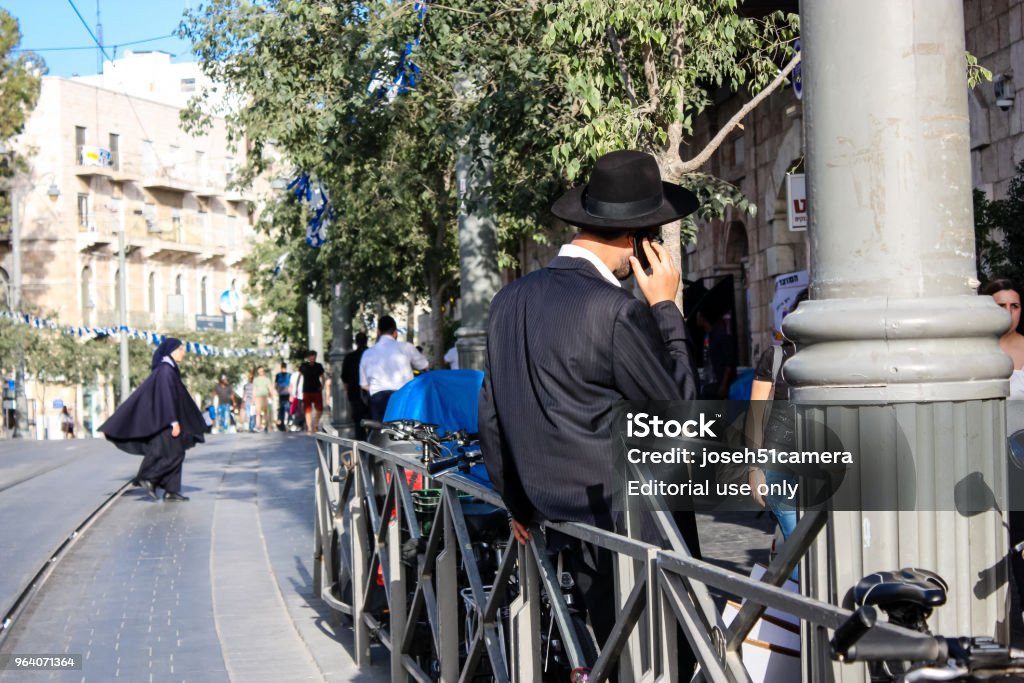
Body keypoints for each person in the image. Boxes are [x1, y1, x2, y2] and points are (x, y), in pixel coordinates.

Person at [478, 149, 700, 660]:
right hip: (635, 530)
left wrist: (518, 503)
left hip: (558, 519)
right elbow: (684, 419)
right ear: (636, 240)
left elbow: (491, 415)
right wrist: (666, 308)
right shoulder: (616, 311)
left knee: (608, 651)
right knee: (661, 659)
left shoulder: (507, 302)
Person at [99, 338, 207, 502]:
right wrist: (173, 421)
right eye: (181, 349)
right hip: (166, 421)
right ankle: (149, 478)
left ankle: (171, 490)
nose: (183, 352)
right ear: (172, 350)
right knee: (173, 453)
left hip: (165, 420)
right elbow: (166, 398)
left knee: (168, 451)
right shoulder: (165, 370)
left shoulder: (169, 369)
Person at [980, 278, 1024, 620]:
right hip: (989, 460)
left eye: (1014, 305)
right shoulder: (977, 352)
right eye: (1000, 306)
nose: (1009, 313)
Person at [359, 315, 430, 421]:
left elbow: (363, 385)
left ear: (378, 332)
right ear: (395, 332)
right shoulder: (406, 347)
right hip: (403, 396)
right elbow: (425, 365)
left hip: (378, 399)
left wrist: (378, 387)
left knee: (380, 432)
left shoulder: (367, 353)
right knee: (405, 432)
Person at [340, 333, 370, 440]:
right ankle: (373, 443)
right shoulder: (372, 354)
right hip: (372, 392)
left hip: (355, 392)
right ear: (366, 340)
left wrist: (348, 391)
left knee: (358, 421)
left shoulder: (350, 357)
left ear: (356, 342)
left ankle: (361, 445)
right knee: (374, 420)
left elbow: (344, 377)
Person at [299, 350, 327, 433]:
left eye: (314, 357)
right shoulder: (303, 366)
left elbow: (323, 377)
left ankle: (316, 423)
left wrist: (322, 386)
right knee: (307, 410)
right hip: (306, 390)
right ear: (308, 357)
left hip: (316, 390)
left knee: (320, 409)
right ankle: (309, 428)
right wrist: (296, 389)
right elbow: (299, 377)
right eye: (311, 357)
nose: (312, 358)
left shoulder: (319, 366)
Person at [252, 366, 273, 432]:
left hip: (264, 396)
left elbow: (270, 388)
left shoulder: (267, 379)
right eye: (260, 371)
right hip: (258, 397)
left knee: (265, 412)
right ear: (258, 372)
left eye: (262, 371)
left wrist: (272, 395)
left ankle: (266, 425)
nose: (261, 372)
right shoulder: (256, 379)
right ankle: (258, 426)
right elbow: (254, 389)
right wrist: (253, 398)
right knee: (258, 412)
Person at [274, 363, 291, 431]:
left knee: (288, 409)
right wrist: (278, 390)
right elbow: (275, 384)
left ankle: (289, 423)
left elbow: (291, 384)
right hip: (281, 395)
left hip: (287, 394)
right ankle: (282, 425)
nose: (283, 369)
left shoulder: (289, 375)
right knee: (282, 410)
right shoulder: (278, 375)